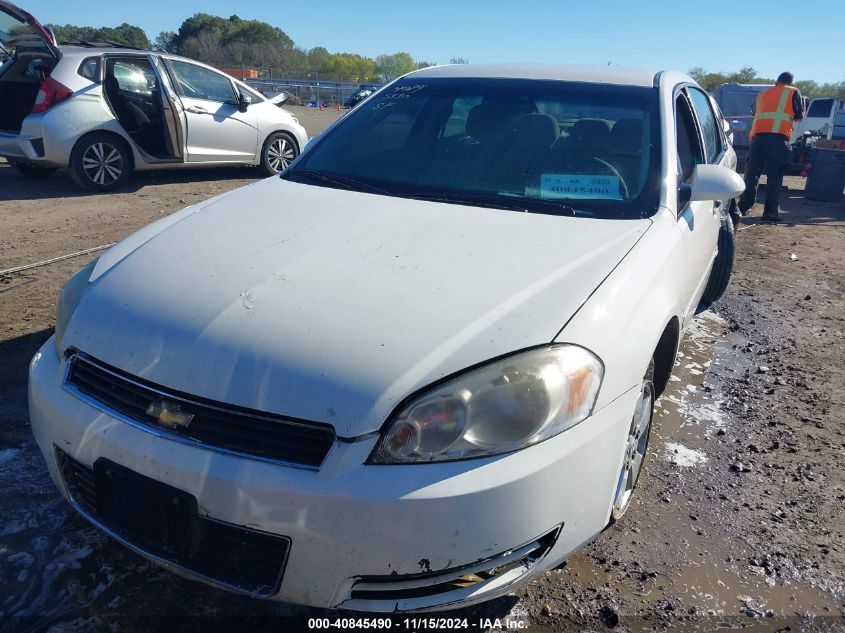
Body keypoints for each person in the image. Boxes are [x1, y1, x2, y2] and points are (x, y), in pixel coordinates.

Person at [738, 72, 804, 222]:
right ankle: (770, 213)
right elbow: (799, 116)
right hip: (778, 139)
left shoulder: (763, 94)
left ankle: (743, 207)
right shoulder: (793, 91)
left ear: (776, 81)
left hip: (758, 139)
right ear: (789, 82)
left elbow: (755, 113)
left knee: (751, 174)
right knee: (774, 177)